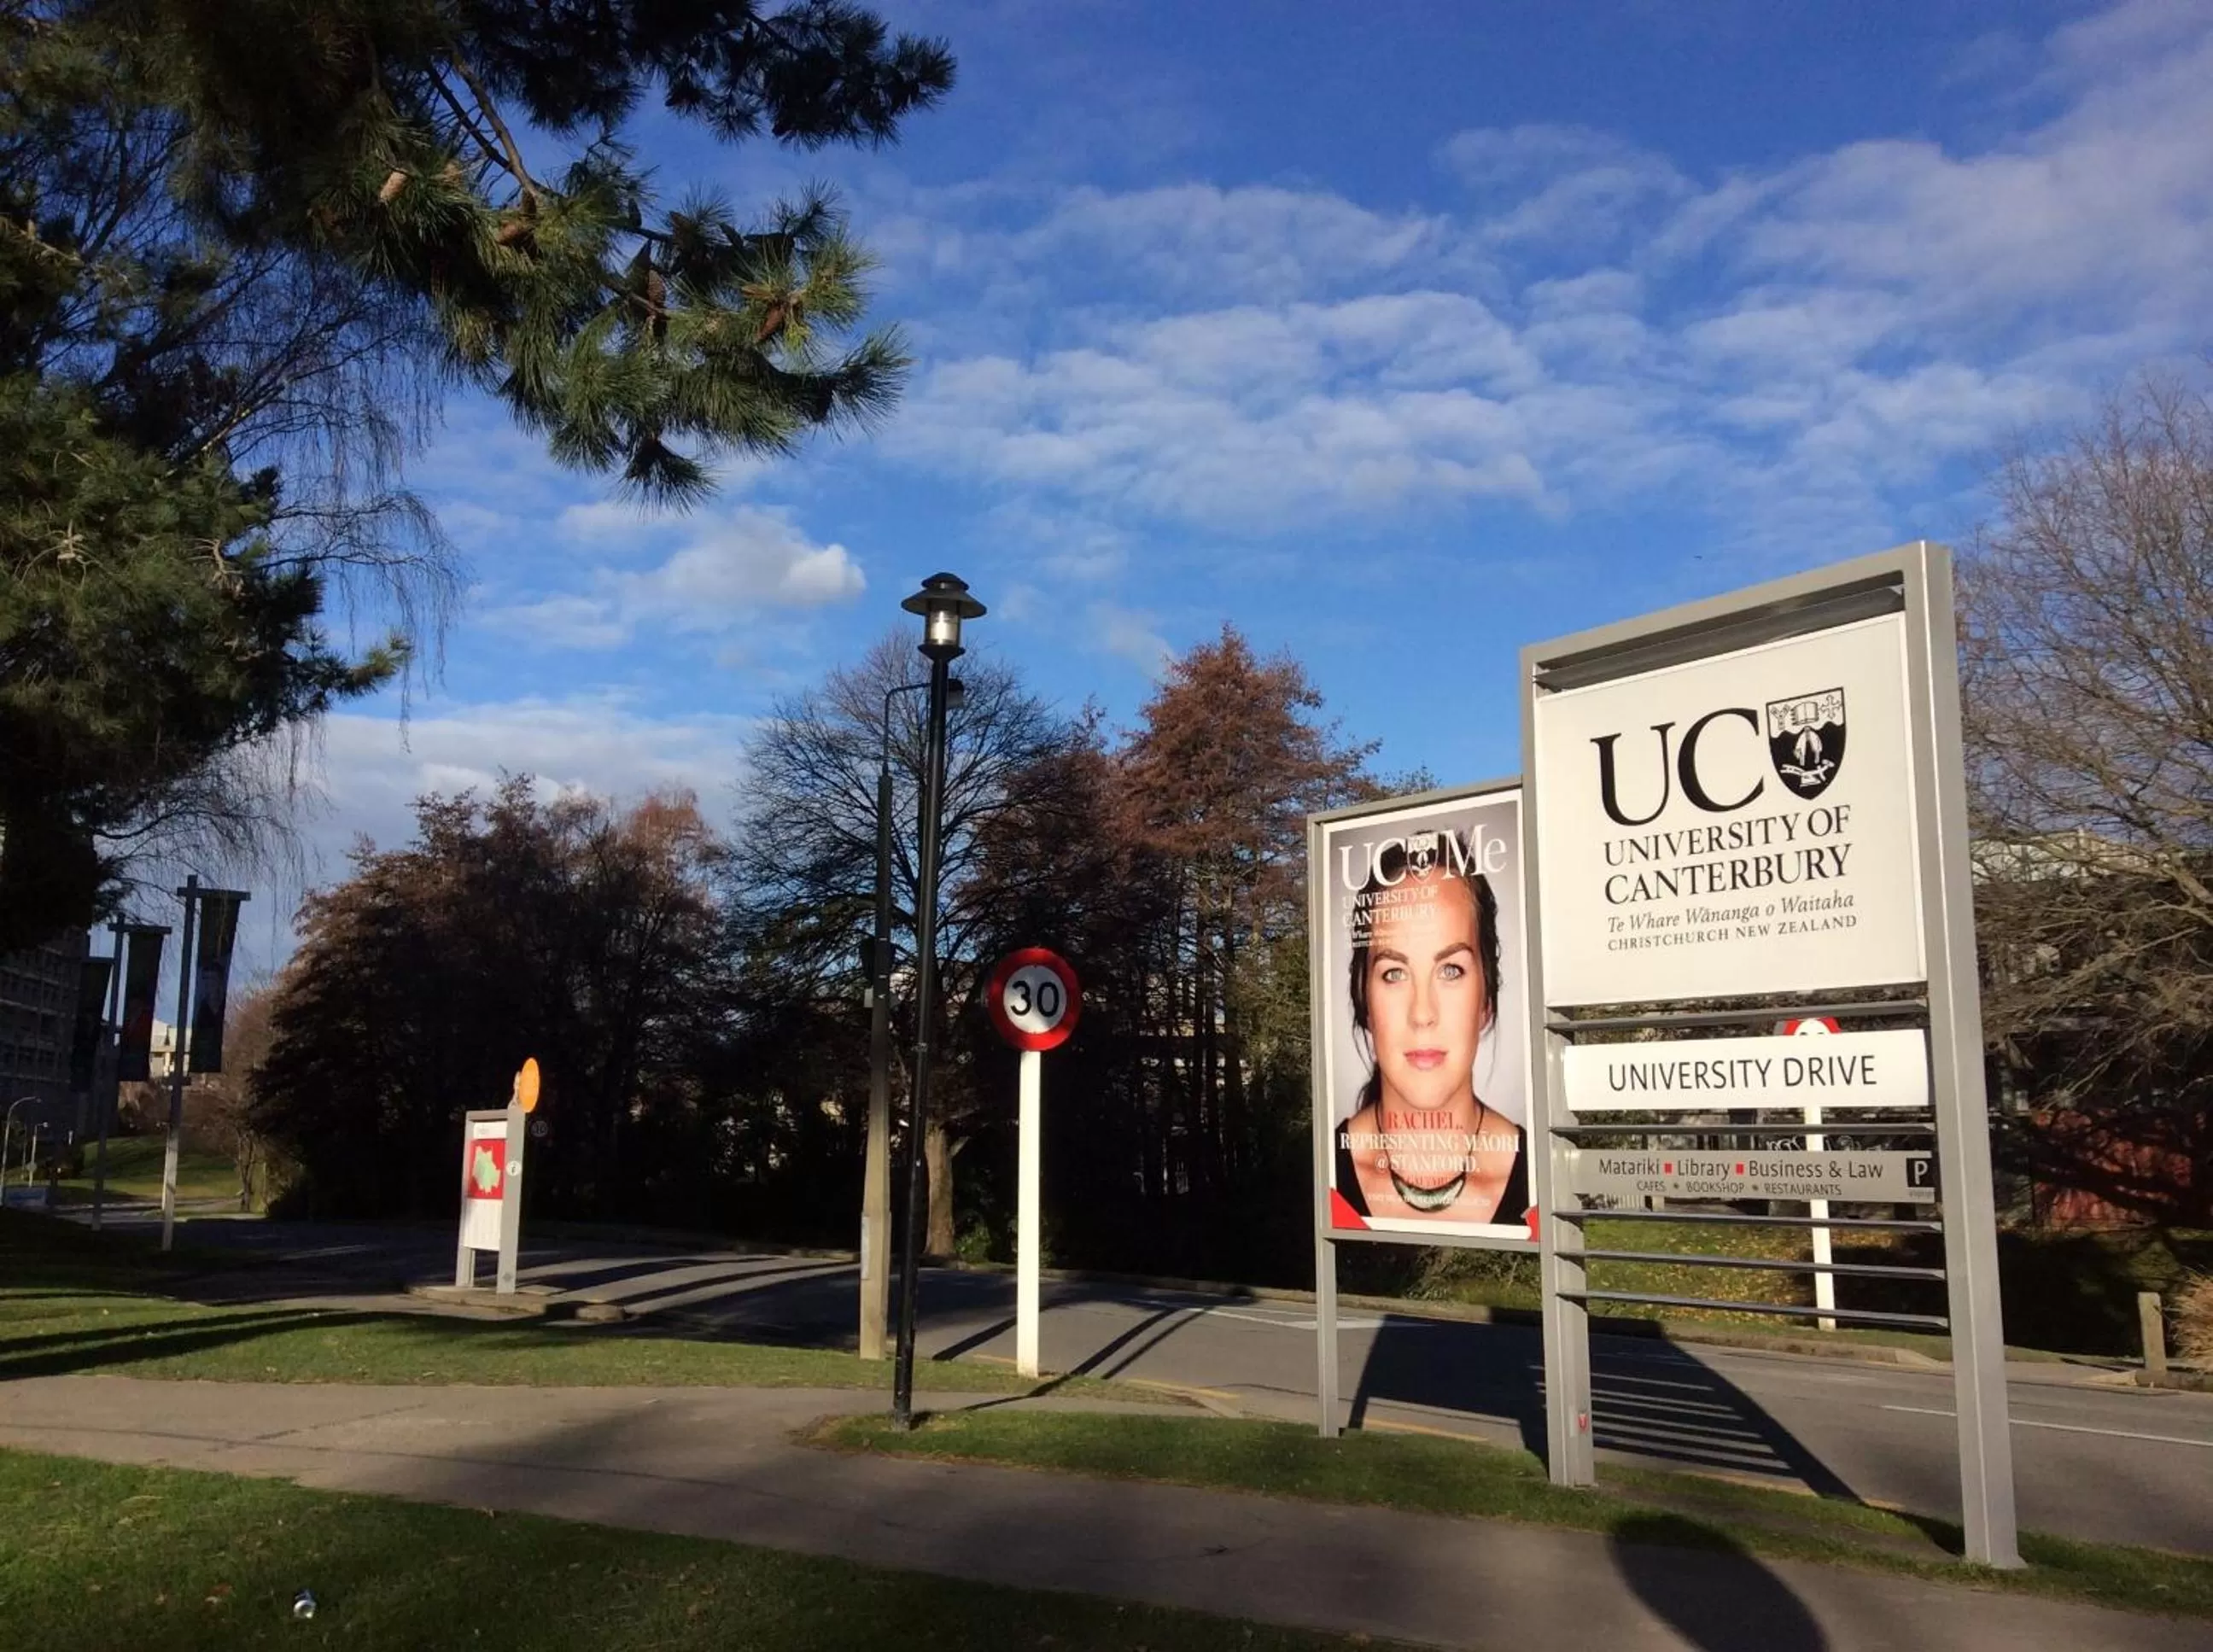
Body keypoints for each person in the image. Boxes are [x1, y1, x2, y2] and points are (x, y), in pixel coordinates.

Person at [1334, 832, 1527, 1224]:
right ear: (1363, 999)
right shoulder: (1322, 1181)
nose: (1423, 1013)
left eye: (1451, 970)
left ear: (1486, 999)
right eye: (1394, 973)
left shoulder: (1542, 1183)